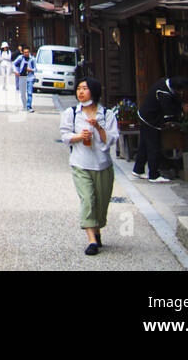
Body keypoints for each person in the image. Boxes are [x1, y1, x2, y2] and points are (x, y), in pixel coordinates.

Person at [60, 77, 119, 255]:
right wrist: (79, 136)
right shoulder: (72, 113)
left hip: (102, 165)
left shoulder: (107, 114)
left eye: (84, 88)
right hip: (80, 163)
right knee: (87, 199)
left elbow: (112, 139)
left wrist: (99, 128)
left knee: (101, 203)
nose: (80, 92)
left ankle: (97, 230)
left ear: (93, 91)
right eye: (78, 88)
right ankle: (92, 241)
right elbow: (64, 135)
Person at [132, 75, 188, 183]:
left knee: (144, 144)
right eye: (180, 90)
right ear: (176, 87)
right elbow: (168, 110)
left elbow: (173, 99)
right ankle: (153, 175)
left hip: (144, 115)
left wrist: (180, 105)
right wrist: (181, 109)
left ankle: (138, 169)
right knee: (154, 146)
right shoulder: (163, 92)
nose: (181, 93)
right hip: (150, 119)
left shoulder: (165, 83)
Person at [14, 45, 36, 112]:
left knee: (29, 92)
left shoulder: (32, 59)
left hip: (30, 77)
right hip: (22, 77)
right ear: (23, 52)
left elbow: (36, 68)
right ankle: (24, 106)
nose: (26, 53)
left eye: (27, 52)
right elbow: (14, 64)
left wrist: (31, 70)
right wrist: (16, 71)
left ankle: (29, 106)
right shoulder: (20, 58)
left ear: (29, 52)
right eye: (25, 52)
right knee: (22, 93)